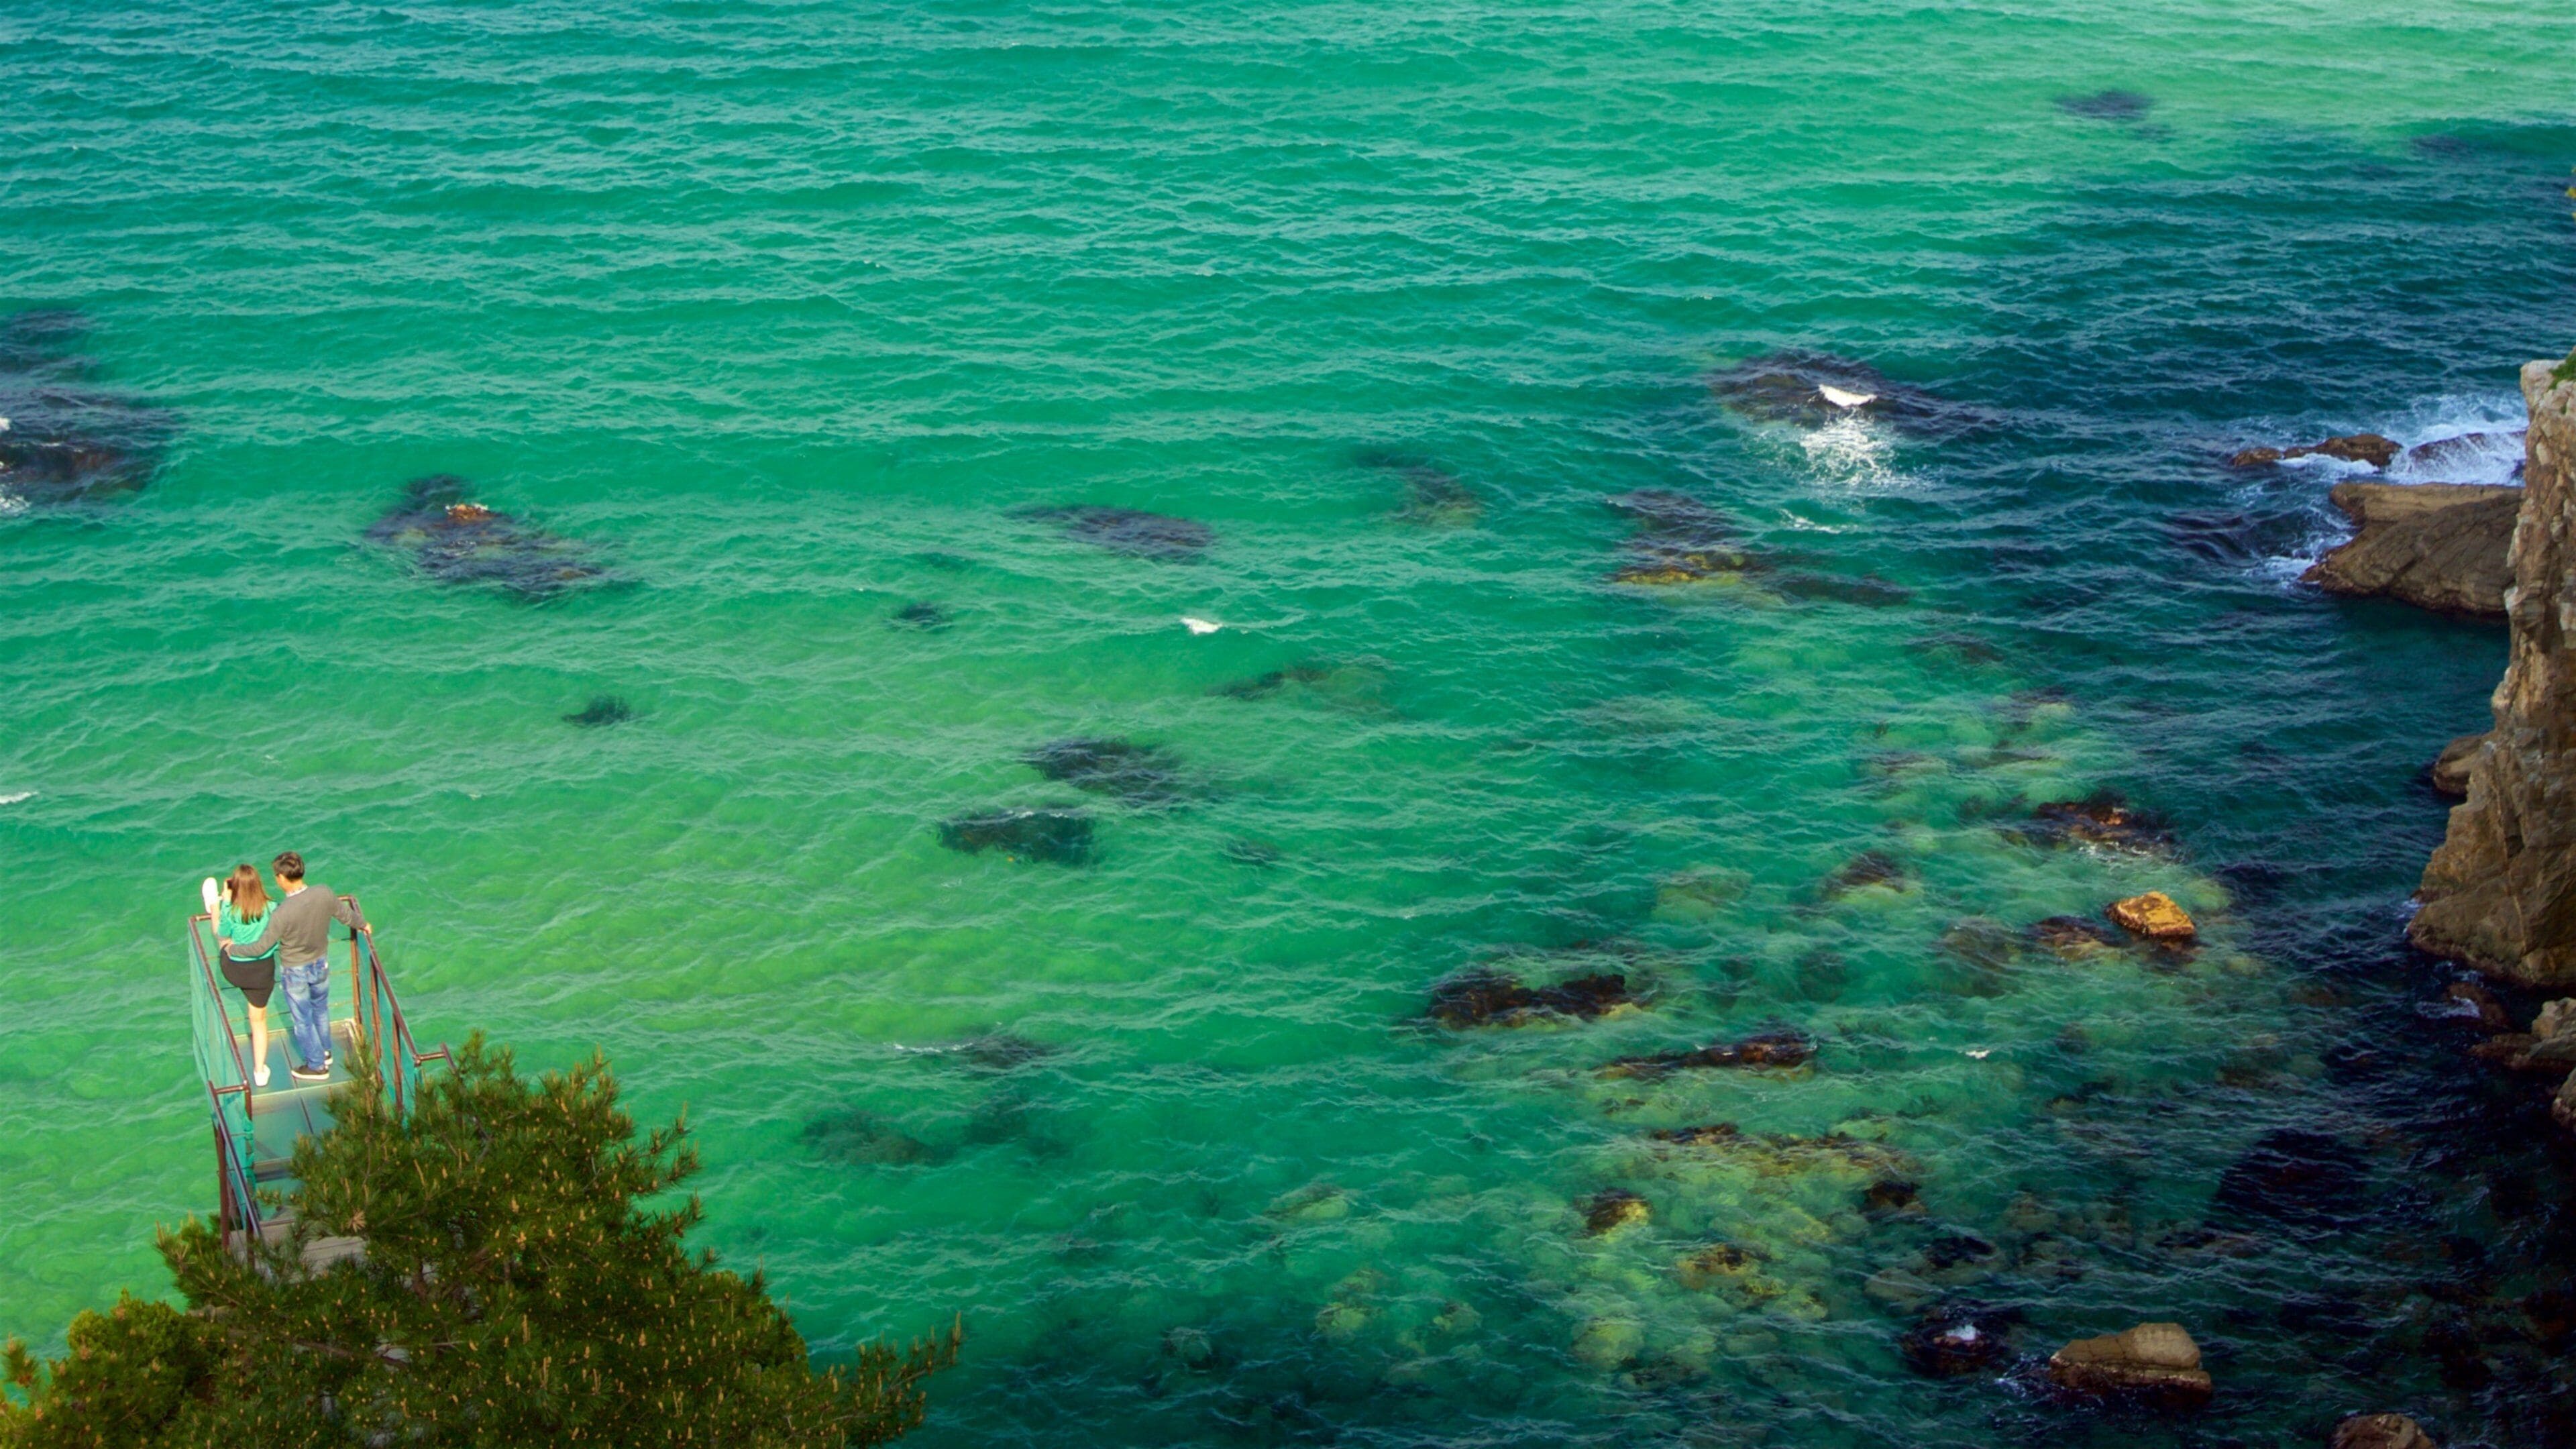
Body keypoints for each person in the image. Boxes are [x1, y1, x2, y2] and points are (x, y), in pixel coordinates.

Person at [230, 851, 368, 1083]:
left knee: (302, 1020)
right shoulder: (323, 893)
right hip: (320, 963)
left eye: (276, 876)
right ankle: (325, 1052)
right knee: (320, 1008)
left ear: (282, 878)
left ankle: (317, 1066)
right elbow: (346, 916)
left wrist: (232, 949)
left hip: (295, 971)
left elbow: (261, 947)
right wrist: (364, 924)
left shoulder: (282, 913)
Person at [205, 865, 282, 1087]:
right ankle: (260, 1072)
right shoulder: (271, 907)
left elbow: (222, 932)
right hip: (261, 973)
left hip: (234, 970)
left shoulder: (233, 911)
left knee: (223, 939)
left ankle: (213, 904)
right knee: (258, 1021)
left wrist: (226, 903)